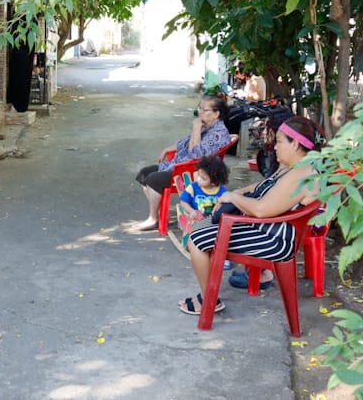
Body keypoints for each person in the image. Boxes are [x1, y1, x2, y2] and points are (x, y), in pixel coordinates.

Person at [177, 115, 324, 315]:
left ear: (296, 144)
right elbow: (262, 186)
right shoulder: (293, 168)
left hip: (274, 239)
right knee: (204, 227)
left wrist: (232, 198)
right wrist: (237, 193)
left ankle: (208, 301)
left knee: (197, 238)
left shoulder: (301, 174)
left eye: (280, 141)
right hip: (267, 228)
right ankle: (209, 296)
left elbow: (261, 210)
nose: (275, 147)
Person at [134, 94, 231, 231]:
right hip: (180, 165)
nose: (200, 112)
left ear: (216, 114)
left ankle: (153, 218)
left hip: (192, 172)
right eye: (199, 107)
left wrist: (196, 128)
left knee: (153, 179)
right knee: (144, 173)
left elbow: (195, 153)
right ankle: (158, 212)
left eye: (204, 110)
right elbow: (186, 143)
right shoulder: (207, 126)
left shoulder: (217, 134)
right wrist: (167, 149)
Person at [178, 156, 231, 270]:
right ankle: (202, 250)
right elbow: (183, 201)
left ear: (214, 182)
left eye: (203, 178)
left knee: (225, 232)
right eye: (199, 175)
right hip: (197, 219)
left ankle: (222, 255)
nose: (199, 180)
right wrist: (191, 211)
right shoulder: (193, 187)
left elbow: (225, 204)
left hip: (214, 220)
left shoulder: (222, 191)